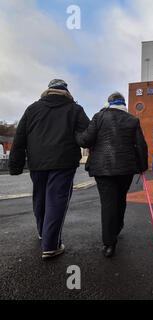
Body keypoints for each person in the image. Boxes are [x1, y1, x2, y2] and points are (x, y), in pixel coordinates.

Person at [9, 79, 90, 259]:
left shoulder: (32, 109)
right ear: (66, 92)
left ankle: (42, 232)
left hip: (37, 163)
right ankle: (51, 245)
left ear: (48, 91)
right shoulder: (75, 109)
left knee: (40, 196)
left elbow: (19, 137)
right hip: (63, 161)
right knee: (57, 199)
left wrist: (15, 165)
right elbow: (87, 135)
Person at [75, 92, 148, 258]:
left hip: (102, 168)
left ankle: (109, 243)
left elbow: (86, 140)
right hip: (126, 168)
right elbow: (141, 145)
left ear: (109, 103)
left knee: (108, 203)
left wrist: (76, 134)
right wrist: (142, 166)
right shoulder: (132, 120)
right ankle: (117, 227)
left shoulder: (99, 117)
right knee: (120, 198)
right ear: (124, 104)